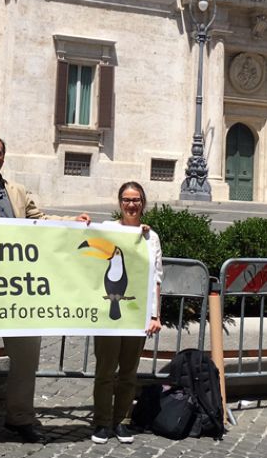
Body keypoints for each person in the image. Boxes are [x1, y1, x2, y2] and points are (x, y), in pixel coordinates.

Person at [0, 134, 90, 444]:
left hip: (21, 288)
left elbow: (42, 221)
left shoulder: (19, 191)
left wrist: (73, 222)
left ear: (4, 157)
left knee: (26, 358)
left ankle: (20, 417)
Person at [90, 182, 162, 445]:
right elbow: (82, 239)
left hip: (137, 316)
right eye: (126, 199)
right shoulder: (109, 231)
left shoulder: (150, 237)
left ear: (143, 203)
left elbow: (156, 278)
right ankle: (101, 422)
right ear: (119, 203)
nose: (131, 204)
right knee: (105, 371)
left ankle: (120, 421)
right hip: (109, 316)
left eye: (136, 199)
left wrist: (155, 316)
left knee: (129, 372)